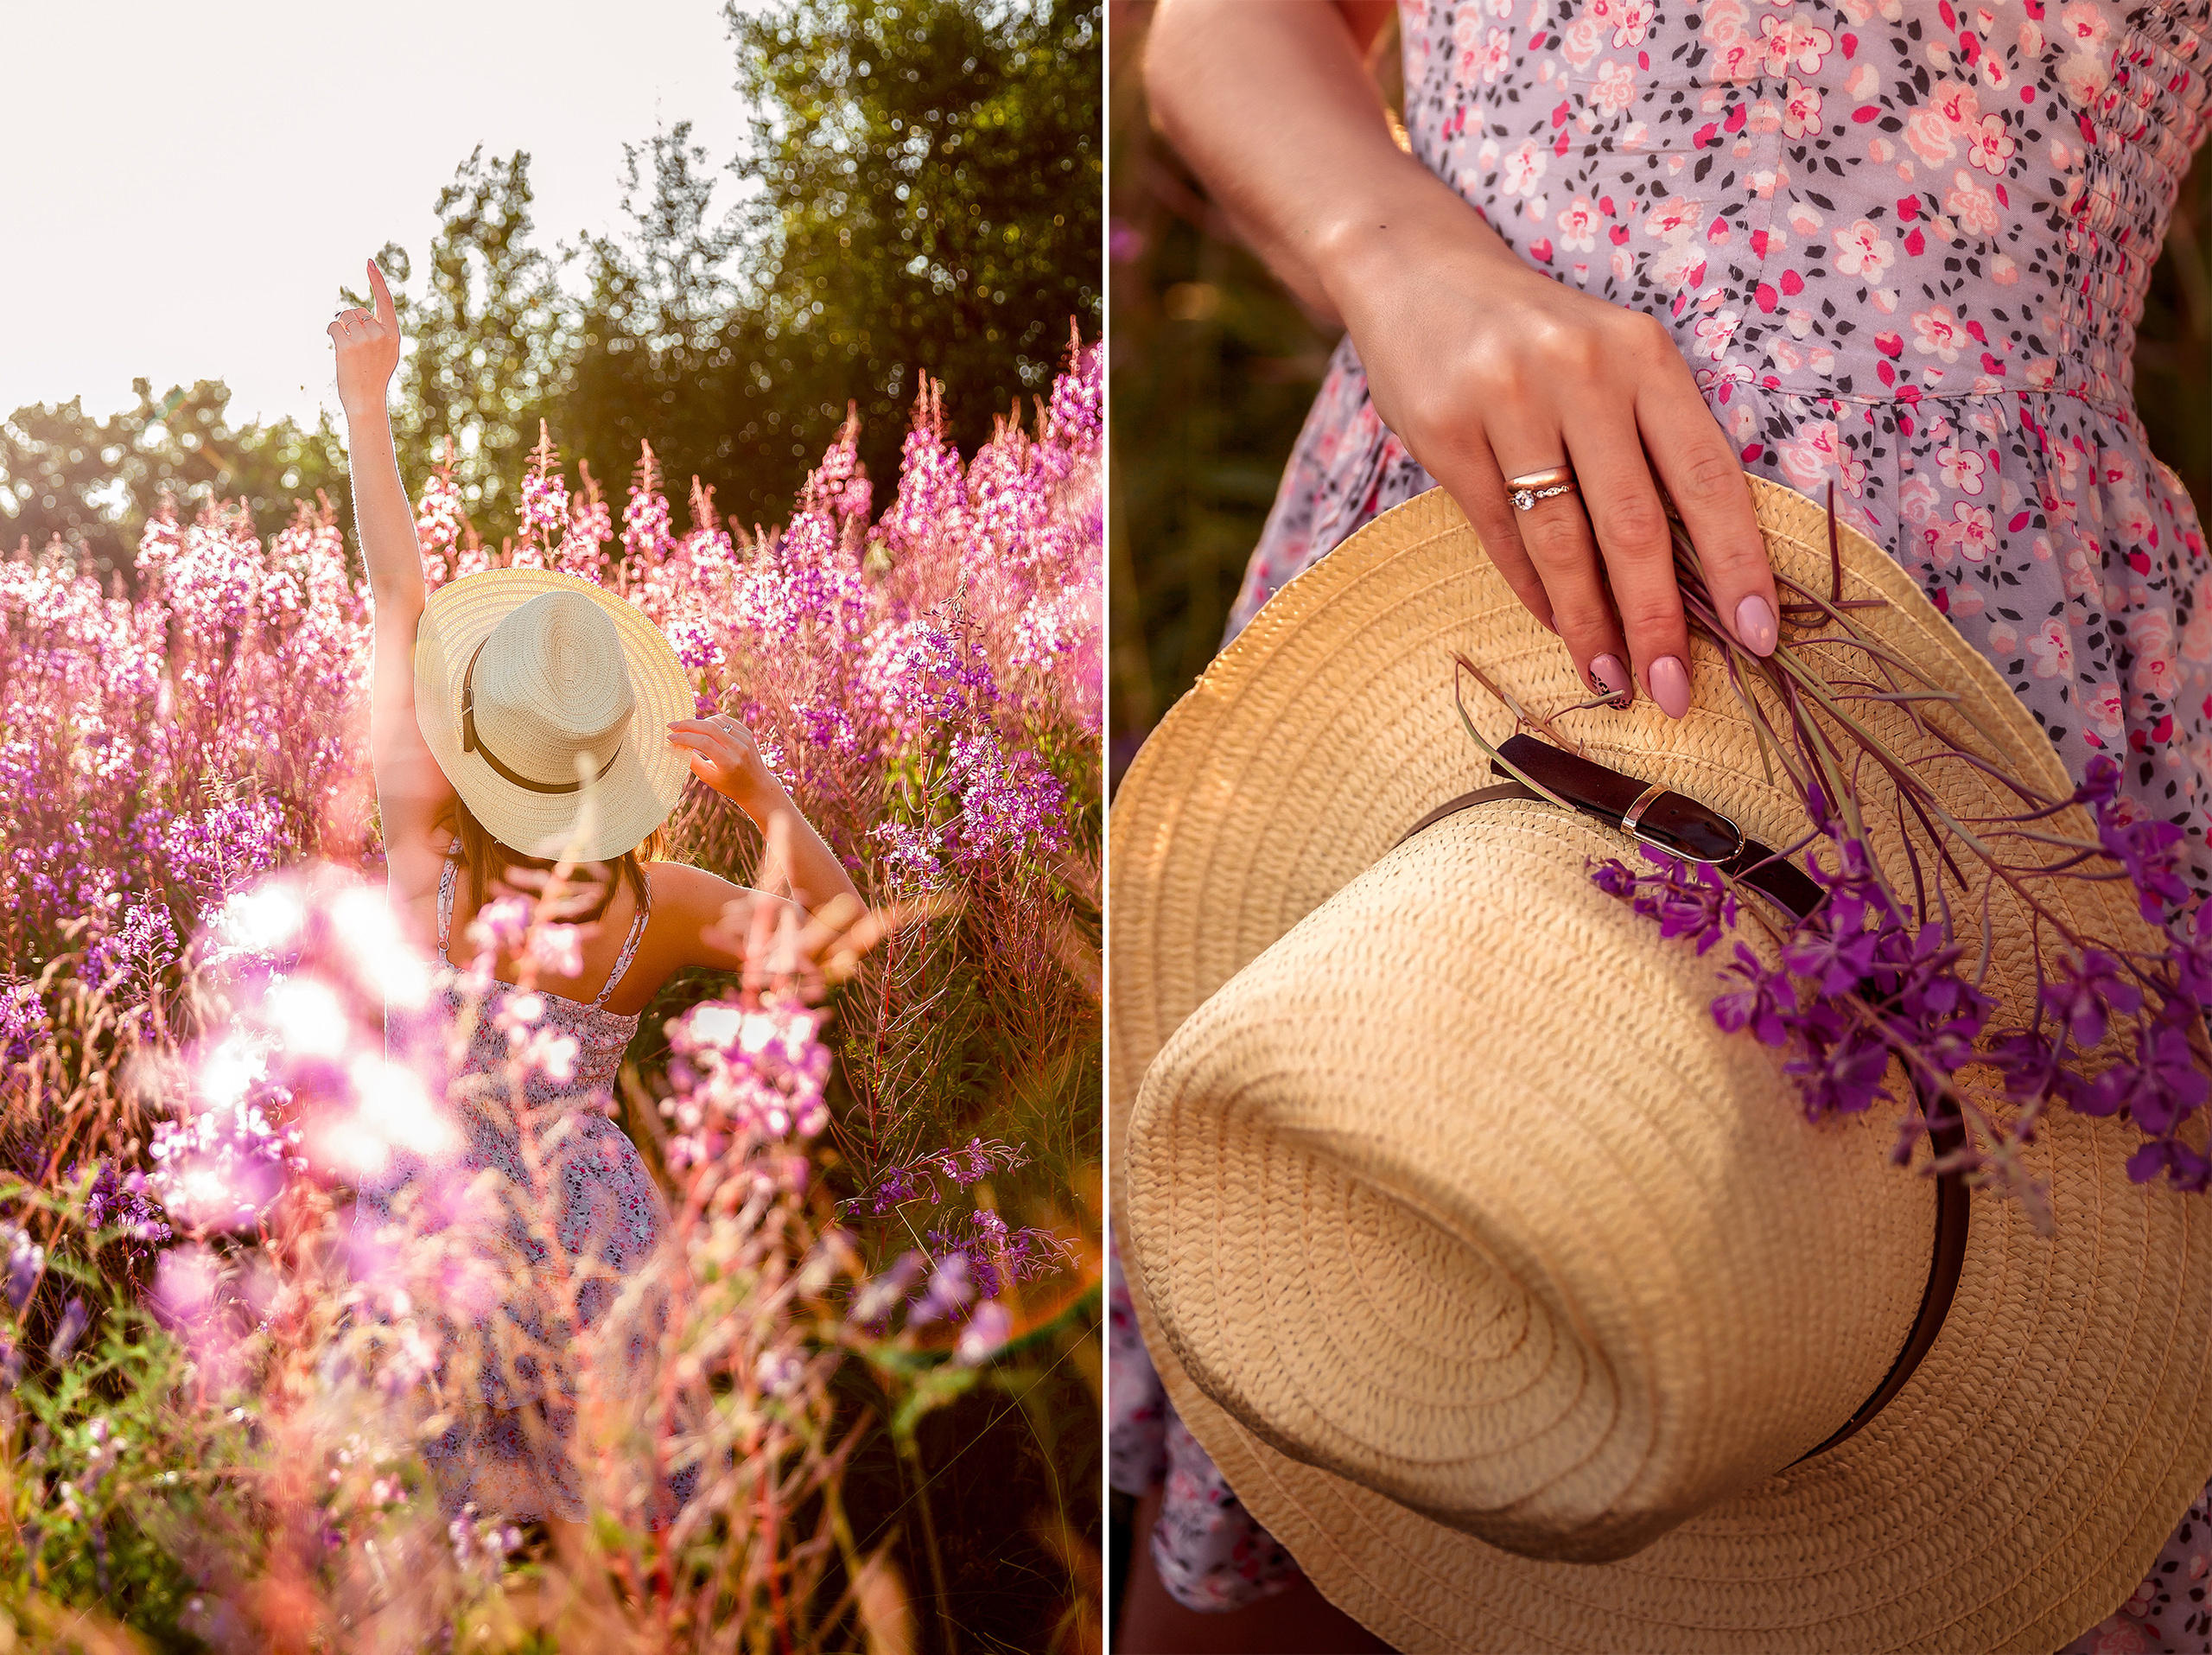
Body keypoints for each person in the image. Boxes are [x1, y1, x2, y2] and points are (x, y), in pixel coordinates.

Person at [1117, 1, 2212, 1649]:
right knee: (1361, 1375)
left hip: (1993, 672)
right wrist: (1392, 247)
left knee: (1871, 1441)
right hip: (1472, 594)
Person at [329, 260, 863, 1537]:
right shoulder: (659, 908)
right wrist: (763, 794)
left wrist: (365, 402)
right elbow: (839, 936)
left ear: (476, 741)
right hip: (597, 1251)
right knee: (608, 1541)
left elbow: (399, 600)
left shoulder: (428, 860)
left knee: (428, 1556)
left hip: (429, 1234)